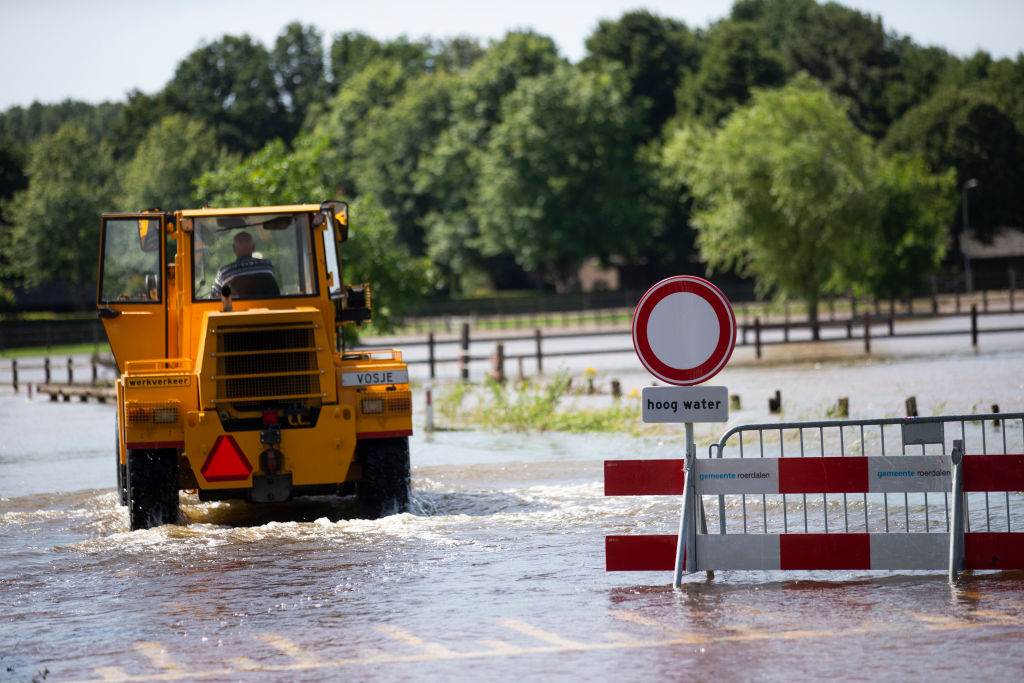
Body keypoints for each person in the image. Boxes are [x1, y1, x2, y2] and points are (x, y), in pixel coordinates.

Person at [211, 231, 280, 298]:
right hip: (272, 307)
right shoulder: (267, 265)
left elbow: (214, 298)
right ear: (254, 247)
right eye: (241, 243)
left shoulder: (225, 272)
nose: (243, 245)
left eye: (245, 242)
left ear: (234, 249)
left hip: (239, 309)